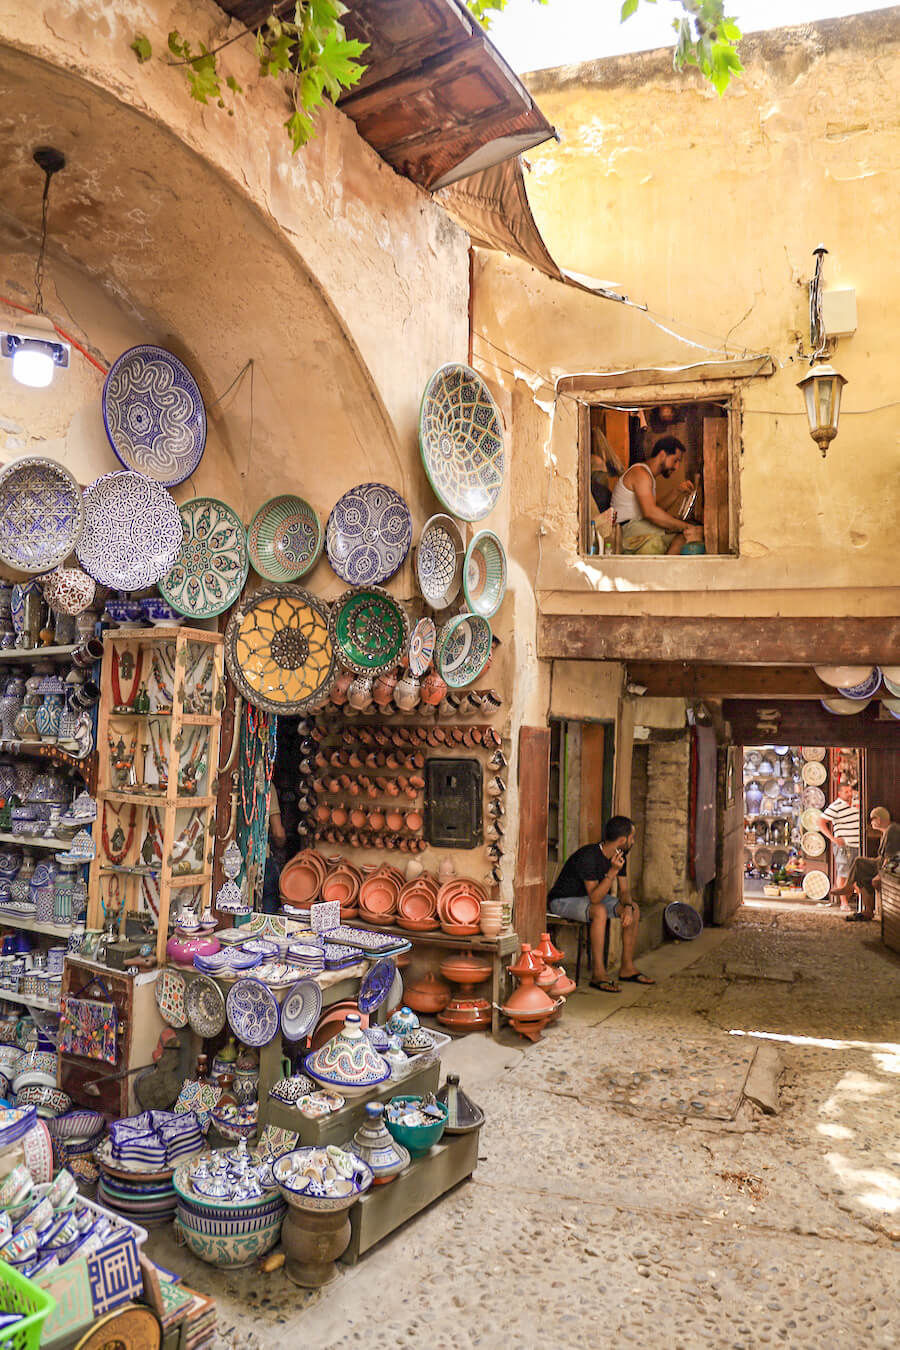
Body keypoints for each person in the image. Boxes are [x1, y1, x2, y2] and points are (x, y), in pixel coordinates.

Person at [548, 815, 655, 992]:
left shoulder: (620, 856)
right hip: (562, 901)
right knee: (599, 911)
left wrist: (628, 908)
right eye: (632, 837)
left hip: (588, 897)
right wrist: (612, 871)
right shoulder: (588, 856)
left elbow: (624, 891)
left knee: (634, 909)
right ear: (622, 840)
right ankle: (598, 974)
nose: (633, 841)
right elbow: (595, 899)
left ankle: (627, 968)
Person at [610, 436, 704, 556]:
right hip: (626, 529)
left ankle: (666, 564)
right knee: (686, 534)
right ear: (662, 454)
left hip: (636, 525)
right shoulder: (640, 473)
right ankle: (666, 567)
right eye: (675, 460)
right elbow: (650, 513)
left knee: (682, 533)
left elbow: (655, 509)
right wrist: (685, 527)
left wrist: (677, 491)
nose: (676, 467)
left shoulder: (647, 475)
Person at [830, 805, 900, 922]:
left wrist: (881, 875)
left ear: (878, 819)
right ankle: (867, 911)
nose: (871, 823)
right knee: (861, 872)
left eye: (872, 819)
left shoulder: (893, 830)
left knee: (859, 862)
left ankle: (848, 887)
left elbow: (891, 857)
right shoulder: (886, 831)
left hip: (889, 865)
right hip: (880, 862)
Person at [817, 781, 860, 911]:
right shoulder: (836, 806)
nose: (849, 794)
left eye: (850, 791)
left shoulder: (856, 804)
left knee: (858, 873)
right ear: (840, 793)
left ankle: (861, 901)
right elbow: (820, 822)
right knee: (843, 872)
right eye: (846, 792)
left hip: (858, 844)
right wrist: (833, 839)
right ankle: (844, 902)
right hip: (845, 846)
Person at [260, 784, 287, 915]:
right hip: (262, 857)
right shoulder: (267, 785)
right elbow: (278, 833)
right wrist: (281, 845)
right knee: (270, 897)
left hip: (235, 859)